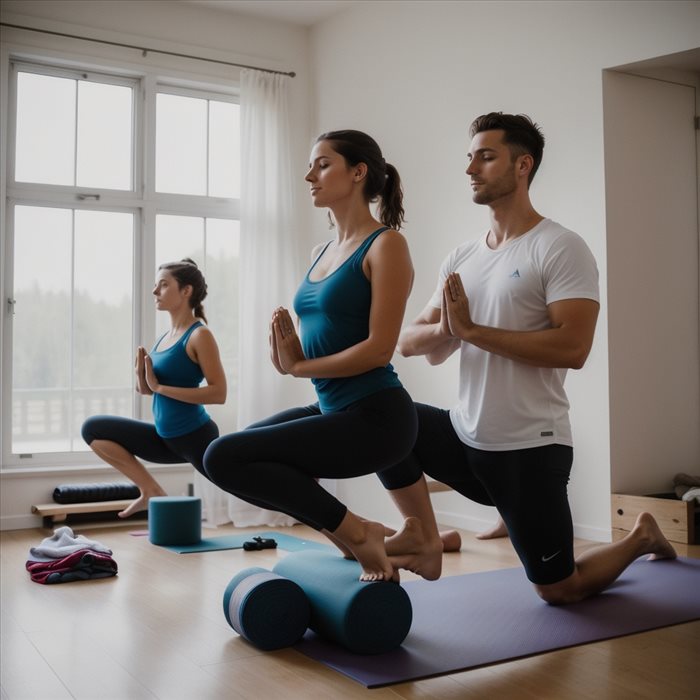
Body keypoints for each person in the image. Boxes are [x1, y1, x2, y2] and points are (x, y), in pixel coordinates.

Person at [386, 112, 676, 604]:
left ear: (523, 165)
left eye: (486, 155)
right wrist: (449, 329)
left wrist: (472, 330)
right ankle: (424, 536)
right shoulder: (462, 257)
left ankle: (641, 537)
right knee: (384, 420)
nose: (471, 168)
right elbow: (411, 341)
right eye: (470, 156)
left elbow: (573, 347)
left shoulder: (559, 247)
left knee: (558, 591)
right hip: (465, 434)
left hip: (529, 449)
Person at [204, 130, 445, 582]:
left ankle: (360, 534)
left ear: (358, 173)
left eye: (322, 164)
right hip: (332, 404)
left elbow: (377, 349)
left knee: (224, 456)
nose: (308, 175)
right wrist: (288, 351)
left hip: (376, 416)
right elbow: (327, 330)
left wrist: (299, 366)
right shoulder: (321, 251)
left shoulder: (386, 245)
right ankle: (377, 539)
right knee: (225, 458)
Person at [82, 259, 227, 518]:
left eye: (163, 285)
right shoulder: (165, 336)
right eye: (156, 285)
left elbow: (219, 393)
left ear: (186, 291)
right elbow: (150, 390)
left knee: (248, 489)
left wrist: (159, 387)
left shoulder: (198, 335)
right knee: (93, 429)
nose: (154, 291)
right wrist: (142, 378)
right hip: (165, 438)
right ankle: (150, 490)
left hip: (196, 438)